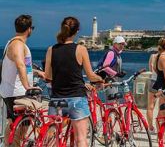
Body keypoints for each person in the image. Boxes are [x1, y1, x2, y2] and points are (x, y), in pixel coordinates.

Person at [44, 16, 103, 147]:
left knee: (51, 138)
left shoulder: (51, 50)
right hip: (76, 98)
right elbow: (91, 76)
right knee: (81, 139)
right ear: (77, 31)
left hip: (57, 99)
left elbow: (48, 76)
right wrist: (100, 79)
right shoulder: (80, 49)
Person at [0, 14, 45, 146]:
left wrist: (37, 72)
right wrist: (28, 87)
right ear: (29, 29)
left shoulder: (12, 43)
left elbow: (22, 67)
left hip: (11, 91)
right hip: (17, 92)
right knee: (21, 128)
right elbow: (20, 65)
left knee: (14, 124)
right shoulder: (18, 44)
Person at [146, 52, 158, 132]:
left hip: (154, 81)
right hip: (163, 83)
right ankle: (160, 128)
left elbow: (150, 69)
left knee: (150, 106)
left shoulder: (153, 56)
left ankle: (150, 127)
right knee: (162, 107)